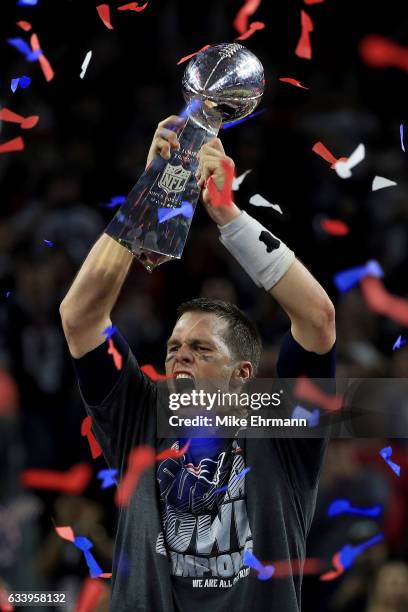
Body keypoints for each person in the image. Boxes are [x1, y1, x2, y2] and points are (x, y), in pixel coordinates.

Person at [60, 115, 336, 611]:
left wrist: (229, 216)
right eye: (174, 347)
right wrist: (150, 197)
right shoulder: (139, 414)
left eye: (202, 349)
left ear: (243, 376)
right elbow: (80, 317)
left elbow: (317, 319)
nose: (181, 353)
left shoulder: (281, 428)